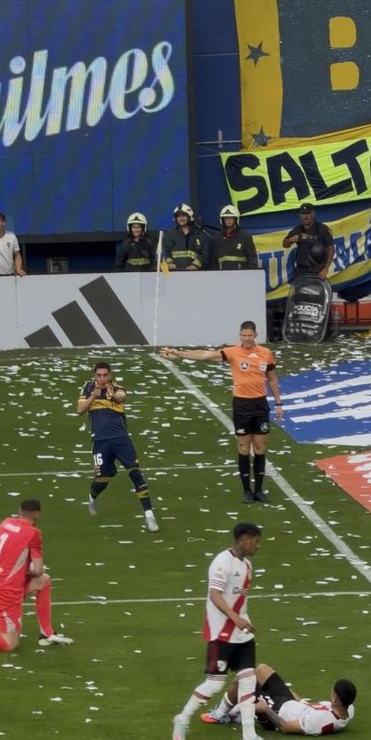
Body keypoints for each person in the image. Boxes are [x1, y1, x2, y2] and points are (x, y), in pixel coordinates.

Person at [172, 523, 277, 740]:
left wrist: (244, 620)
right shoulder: (222, 562)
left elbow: (238, 599)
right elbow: (215, 595)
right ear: (244, 539)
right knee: (214, 685)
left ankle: (249, 736)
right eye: (255, 541)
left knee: (248, 680)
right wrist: (235, 618)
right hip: (221, 634)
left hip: (242, 634)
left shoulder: (247, 565)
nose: (257, 545)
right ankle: (182, 718)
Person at [160, 320, 283, 504]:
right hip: (242, 405)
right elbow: (205, 355)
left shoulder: (266, 353)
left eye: (250, 335)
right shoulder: (232, 352)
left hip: (260, 405)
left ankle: (258, 490)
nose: (247, 339)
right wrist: (179, 353)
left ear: (256, 336)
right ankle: (247, 491)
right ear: (239, 335)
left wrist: (279, 403)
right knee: (243, 447)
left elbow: (272, 379)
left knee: (259, 447)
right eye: (244, 335)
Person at [77, 360, 159, 532]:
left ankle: (149, 516)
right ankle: (92, 497)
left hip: (121, 438)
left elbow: (121, 398)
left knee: (135, 473)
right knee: (102, 481)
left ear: (110, 375)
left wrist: (111, 395)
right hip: (100, 441)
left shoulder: (117, 388)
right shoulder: (88, 388)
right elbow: (80, 410)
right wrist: (94, 395)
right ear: (94, 376)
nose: (102, 378)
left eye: (105, 375)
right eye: (99, 375)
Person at [0, 499, 73, 651]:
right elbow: (38, 570)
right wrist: (30, 570)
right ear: (37, 514)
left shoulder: (6, 522)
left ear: (20, 510)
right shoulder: (33, 533)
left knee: (43, 581)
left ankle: (46, 634)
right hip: (7, 592)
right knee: (9, 644)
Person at [202, 663, 356, 736]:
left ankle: (220, 715)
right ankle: (239, 711)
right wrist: (293, 697)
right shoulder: (347, 709)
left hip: (276, 713)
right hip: (289, 702)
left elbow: (286, 727)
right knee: (261, 669)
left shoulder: (320, 722)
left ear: (335, 698)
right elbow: (309, 708)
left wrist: (265, 709)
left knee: (242, 678)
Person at [282, 203, 334, 281]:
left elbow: (331, 248)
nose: (305, 216)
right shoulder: (297, 229)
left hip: (318, 269)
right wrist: (291, 240)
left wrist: (326, 268)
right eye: (303, 214)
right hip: (301, 270)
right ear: (300, 215)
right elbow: (285, 244)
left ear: (313, 214)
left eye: (308, 213)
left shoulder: (322, 229)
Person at [211, 205, 258, 270]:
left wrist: (250, 274)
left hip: (241, 276)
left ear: (236, 219)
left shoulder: (245, 237)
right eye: (226, 218)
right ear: (222, 220)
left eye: (231, 218)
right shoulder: (216, 238)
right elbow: (213, 261)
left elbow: (252, 258)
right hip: (222, 277)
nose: (229, 220)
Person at [162, 203, 205, 271]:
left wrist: (195, 265)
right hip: (173, 275)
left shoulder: (200, 235)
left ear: (190, 217)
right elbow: (164, 253)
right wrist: (169, 263)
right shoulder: (169, 236)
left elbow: (204, 255)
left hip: (195, 275)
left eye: (183, 215)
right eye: (178, 216)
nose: (181, 218)